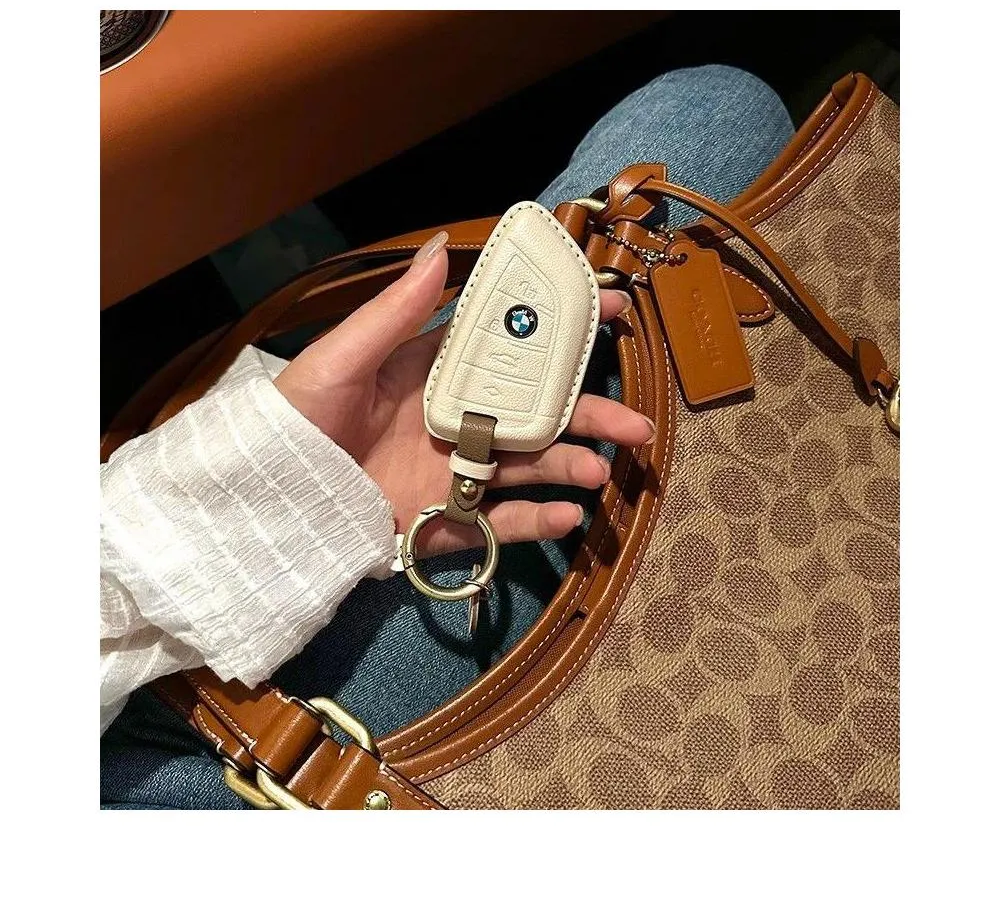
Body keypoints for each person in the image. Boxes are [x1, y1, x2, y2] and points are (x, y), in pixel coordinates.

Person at [101, 64, 796, 807]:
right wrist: (247, 502)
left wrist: (282, 495)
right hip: (222, 759)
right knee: (717, 115)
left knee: (711, 127)